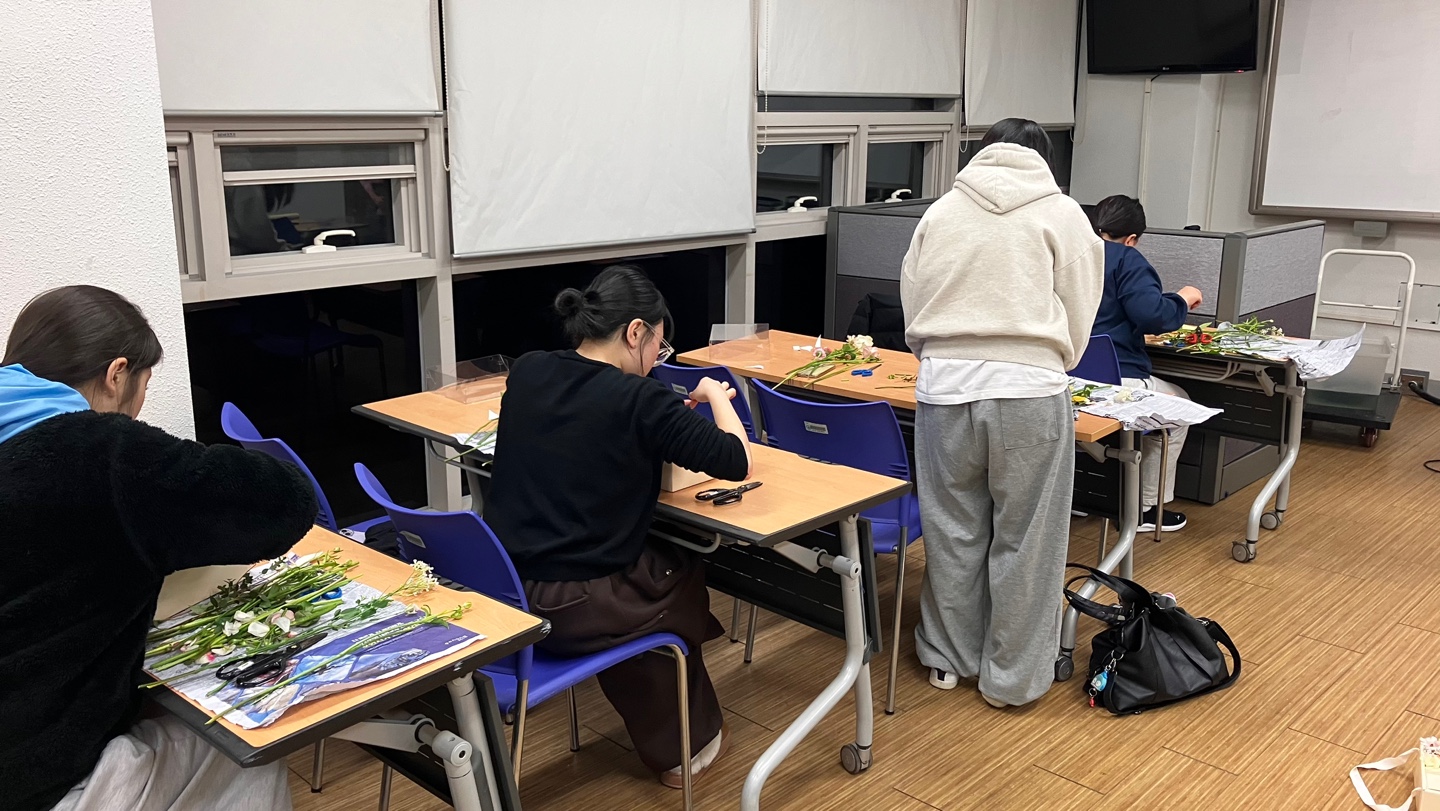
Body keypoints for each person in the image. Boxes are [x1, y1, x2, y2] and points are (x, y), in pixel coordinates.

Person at [0, 285, 319, 811]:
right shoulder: (102, 454)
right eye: (144, 387)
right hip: (31, 778)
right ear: (116, 374)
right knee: (238, 741)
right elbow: (284, 501)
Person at [484, 266, 751, 788]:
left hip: (505, 586)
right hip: (571, 603)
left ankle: (677, 722)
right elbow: (735, 459)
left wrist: (660, 423)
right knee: (678, 572)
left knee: (655, 566)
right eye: (658, 346)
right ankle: (683, 750)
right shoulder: (640, 399)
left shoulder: (531, 369)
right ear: (635, 332)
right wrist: (716, 395)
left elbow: (587, 431)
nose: (655, 360)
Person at [900, 118, 1105, 708]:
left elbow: (914, 298)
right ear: (1044, 159)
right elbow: (1081, 310)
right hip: (1029, 391)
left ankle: (947, 658)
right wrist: (1046, 356)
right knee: (1028, 541)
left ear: (981, 153)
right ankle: (1010, 680)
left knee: (952, 530)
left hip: (945, 388)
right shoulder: (1063, 214)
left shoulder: (940, 213)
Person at [1089, 194, 1203, 532]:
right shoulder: (1127, 259)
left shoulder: (1071, 253)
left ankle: (1084, 498)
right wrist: (1182, 299)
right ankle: (1145, 508)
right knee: (1180, 407)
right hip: (1118, 377)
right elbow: (1152, 315)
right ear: (1132, 238)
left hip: (1068, 375)